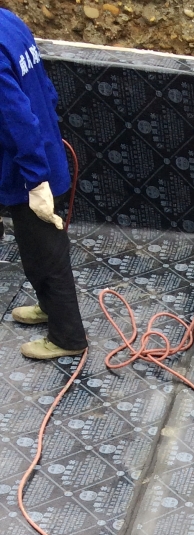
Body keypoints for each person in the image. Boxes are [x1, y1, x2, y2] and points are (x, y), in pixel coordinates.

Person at [0, 8, 87, 360]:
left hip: (28, 168)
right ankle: (49, 308)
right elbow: (45, 89)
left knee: (47, 255)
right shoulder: (8, 21)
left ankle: (68, 338)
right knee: (34, 248)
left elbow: (15, 118)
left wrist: (35, 180)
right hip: (42, 149)